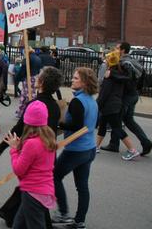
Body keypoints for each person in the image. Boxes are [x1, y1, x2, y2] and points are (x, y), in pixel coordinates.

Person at [53, 67, 99, 229]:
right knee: (82, 186)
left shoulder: (77, 101)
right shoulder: (92, 101)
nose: (72, 80)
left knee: (54, 176)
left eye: (76, 78)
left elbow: (77, 125)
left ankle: (63, 214)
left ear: (85, 82)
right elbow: (95, 124)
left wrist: (59, 123)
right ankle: (79, 221)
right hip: (90, 149)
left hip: (76, 150)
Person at [4, 100, 57, 229]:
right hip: (43, 189)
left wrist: (14, 149)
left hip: (33, 193)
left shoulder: (32, 144)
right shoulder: (49, 139)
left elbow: (18, 169)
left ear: (27, 121)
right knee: (18, 224)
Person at [105, 42, 152, 156]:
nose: (114, 50)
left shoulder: (125, 62)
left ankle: (114, 144)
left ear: (122, 50)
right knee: (129, 121)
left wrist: (112, 74)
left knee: (116, 119)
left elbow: (128, 78)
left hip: (127, 96)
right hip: (134, 95)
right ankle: (146, 142)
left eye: (117, 48)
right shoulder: (133, 61)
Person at [95, 50, 140, 160]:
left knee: (117, 129)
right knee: (103, 126)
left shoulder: (109, 76)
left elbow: (104, 94)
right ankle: (95, 146)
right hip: (115, 104)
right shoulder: (119, 74)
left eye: (106, 59)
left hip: (109, 105)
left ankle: (132, 150)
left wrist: (96, 105)